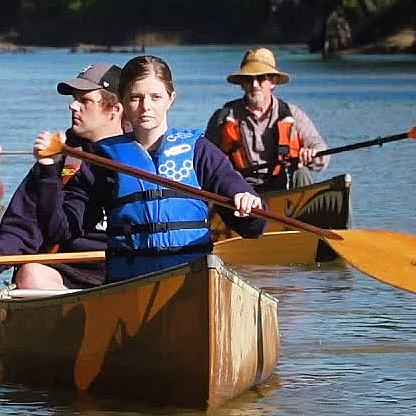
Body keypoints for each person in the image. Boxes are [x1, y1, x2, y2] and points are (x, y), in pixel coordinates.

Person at [37, 55, 266, 283]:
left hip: (192, 280)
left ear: (170, 99)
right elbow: (61, 231)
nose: (146, 107)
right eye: (135, 98)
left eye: (155, 97)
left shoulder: (200, 150)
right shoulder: (102, 159)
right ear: (122, 102)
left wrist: (248, 205)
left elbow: (253, 229)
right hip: (130, 284)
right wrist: (48, 170)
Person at [0, 63, 126, 289]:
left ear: (115, 109)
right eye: (74, 98)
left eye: (84, 100)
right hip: (64, 272)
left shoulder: (144, 156)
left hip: (128, 268)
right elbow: (22, 224)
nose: (72, 105)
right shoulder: (57, 158)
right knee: (30, 274)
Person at [204, 47, 329, 191]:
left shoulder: (293, 114)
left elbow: (320, 150)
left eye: (261, 78)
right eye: (248, 79)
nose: (254, 84)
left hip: (284, 185)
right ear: (242, 84)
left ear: (273, 82)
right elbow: (205, 158)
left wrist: (312, 154)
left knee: (301, 173)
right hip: (240, 189)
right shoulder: (222, 118)